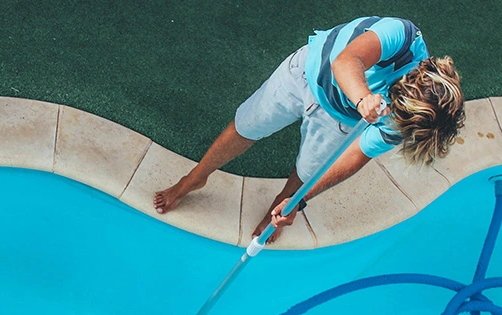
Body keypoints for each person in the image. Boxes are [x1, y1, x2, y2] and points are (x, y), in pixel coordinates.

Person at [153, 16, 465, 242]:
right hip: (305, 73)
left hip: (340, 122)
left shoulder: (406, 124)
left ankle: (281, 206)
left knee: (306, 172)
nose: (397, 122)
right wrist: (363, 100)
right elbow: (346, 61)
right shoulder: (403, 36)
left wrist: (299, 201)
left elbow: (356, 156)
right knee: (246, 125)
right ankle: (194, 179)